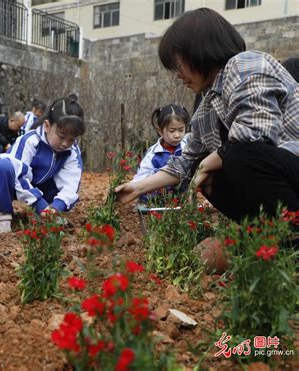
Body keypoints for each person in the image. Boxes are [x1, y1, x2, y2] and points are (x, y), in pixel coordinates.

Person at [115, 8, 299, 224]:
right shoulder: (207, 108)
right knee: (210, 174)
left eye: (178, 65)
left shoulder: (245, 65)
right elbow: (186, 161)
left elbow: (255, 134)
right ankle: (262, 237)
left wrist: (209, 161)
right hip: (282, 177)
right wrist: (138, 187)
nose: (178, 75)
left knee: (239, 157)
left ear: (199, 50)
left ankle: (289, 239)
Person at [0, 97, 85, 234]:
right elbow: (19, 175)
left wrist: (56, 207)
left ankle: (46, 216)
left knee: (57, 188)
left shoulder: (71, 152)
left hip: (41, 186)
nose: (65, 144)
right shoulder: (30, 141)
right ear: (47, 126)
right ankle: (2, 214)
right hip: (12, 183)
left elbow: (71, 184)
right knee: (3, 167)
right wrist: (39, 204)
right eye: (61, 136)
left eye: (71, 139)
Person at [133, 104, 190, 206]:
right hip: (157, 198)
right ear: (160, 131)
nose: (177, 135)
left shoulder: (189, 148)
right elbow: (140, 178)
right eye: (172, 131)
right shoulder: (153, 154)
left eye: (181, 130)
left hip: (182, 198)